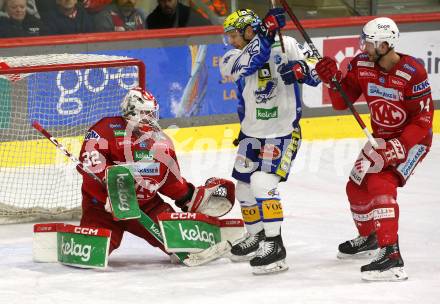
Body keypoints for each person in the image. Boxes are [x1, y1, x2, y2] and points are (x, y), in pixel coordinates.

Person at [315, 17, 434, 281]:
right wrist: (332, 80)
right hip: (379, 139)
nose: (363, 47)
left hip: (412, 141)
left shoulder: (413, 72)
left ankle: (391, 256)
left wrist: (398, 147)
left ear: (383, 45)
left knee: (381, 182)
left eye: (368, 42)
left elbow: (424, 121)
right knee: (355, 186)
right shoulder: (361, 64)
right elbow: (339, 102)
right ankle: (369, 237)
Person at [219, 8, 320, 274]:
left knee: (262, 183)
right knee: (243, 188)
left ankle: (275, 245)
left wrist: (302, 71)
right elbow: (251, 62)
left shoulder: (287, 44)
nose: (230, 41)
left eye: (233, 35)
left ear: (248, 30)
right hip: (251, 133)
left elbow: (319, 72)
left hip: (283, 132)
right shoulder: (232, 56)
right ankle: (258, 237)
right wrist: (266, 34)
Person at [78, 87, 234, 256]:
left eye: (152, 113)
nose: (151, 118)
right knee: (92, 252)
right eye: (146, 113)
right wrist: (114, 190)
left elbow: (170, 180)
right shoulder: (106, 129)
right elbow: (90, 162)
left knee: (184, 245)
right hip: (102, 207)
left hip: (146, 207)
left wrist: (187, 198)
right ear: (131, 112)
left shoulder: (161, 142)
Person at [146, 0, 211, 29]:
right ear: (158, 1)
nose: (166, 4)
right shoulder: (152, 20)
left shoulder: (188, 15)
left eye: (169, 0)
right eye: (163, 1)